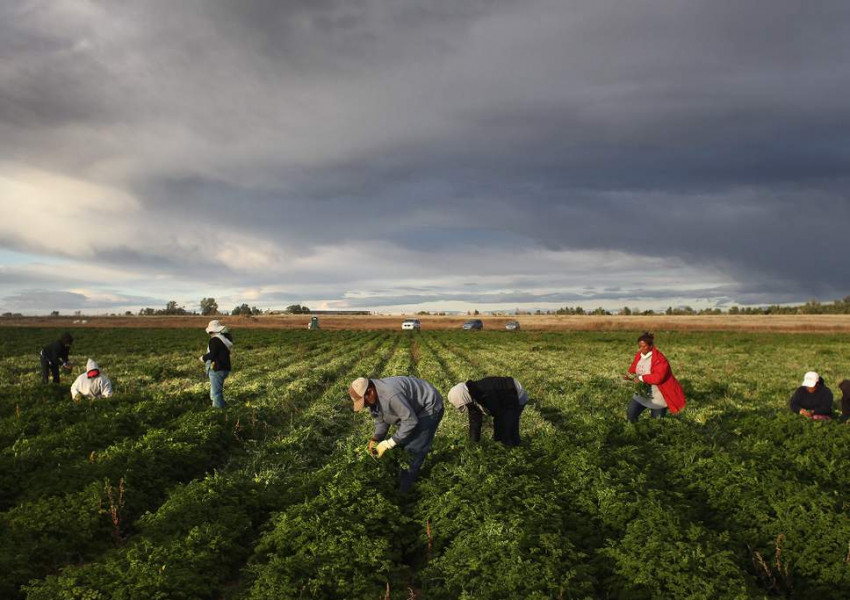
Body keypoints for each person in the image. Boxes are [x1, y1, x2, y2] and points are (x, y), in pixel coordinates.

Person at [349, 376, 444, 492]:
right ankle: (398, 480)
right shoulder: (374, 398)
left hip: (428, 406)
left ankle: (403, 492)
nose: (365, 406)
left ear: (370, 391)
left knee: (412, 451)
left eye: (364, 402)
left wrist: (389, 443)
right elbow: (381, 420)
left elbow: (410, 421)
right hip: (411, 410)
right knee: (402, 445)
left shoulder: (390, 395)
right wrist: (376, 438)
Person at [623, 332, 686, 422]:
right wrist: (629, 375)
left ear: (651, 346)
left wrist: (641, 378)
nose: (641, 349)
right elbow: (634, 367)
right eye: (640, 346)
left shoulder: (660, 359)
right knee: (631, 414)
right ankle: (636, 433)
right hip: (641, 394)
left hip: (658, 397)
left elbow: (658, 377)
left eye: (644, 346)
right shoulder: (639, 355)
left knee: (656, 423)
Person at [447, 377, 528, 446]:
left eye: (462, 405)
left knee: (508, 429)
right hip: (504, 397)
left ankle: (514, 448)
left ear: (464, 397)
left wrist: (499, 439)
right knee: (501, 434)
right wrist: (473, 443)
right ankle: (505, 445)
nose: (464, 407)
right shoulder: (472, 393)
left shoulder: (485, 392)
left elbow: (499, 415)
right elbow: (475, 421)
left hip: (515, 393)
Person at [199, 320, 233, 408]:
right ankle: (222, 405)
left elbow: (212, 354)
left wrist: (203, 358)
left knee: (215, 393)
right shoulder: (224, 339)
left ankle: (218, 412)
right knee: (217, 391)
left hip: (217, 368)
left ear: (211, 331)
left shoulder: (215, 340)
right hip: (224, 368)